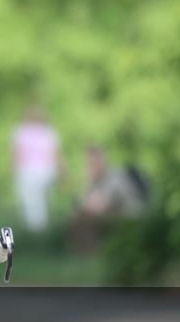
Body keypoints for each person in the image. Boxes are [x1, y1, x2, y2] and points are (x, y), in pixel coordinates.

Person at [71, 145, 147, 252]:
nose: (92, 166)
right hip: (114, 216)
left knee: (86, 217)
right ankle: (87, 252)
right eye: (89, 164)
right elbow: (81, 204)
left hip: (130, 218)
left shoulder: (116, 176)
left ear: (103, 160)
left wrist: (86, 203)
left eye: (94, 163)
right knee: (80, 217)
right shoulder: (95, 181)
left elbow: (102, 205)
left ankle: (93, 251)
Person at [11, 104, 62, 232]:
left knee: (33, 201)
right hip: (37, 170)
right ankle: (36, 228)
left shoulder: (24, 132)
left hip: (35, 171)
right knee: (35, 201)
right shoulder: (45, 132)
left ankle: (36, 228)